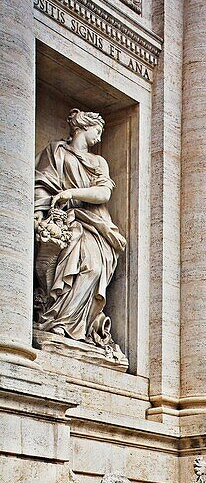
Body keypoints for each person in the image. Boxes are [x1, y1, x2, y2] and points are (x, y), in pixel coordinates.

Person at [34, 109, 126, 355]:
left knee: (94, 268)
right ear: (85, 127)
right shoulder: (56, 152)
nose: (99, 136)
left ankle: (73, 325)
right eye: (98, 130)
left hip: (95, 224)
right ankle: (58, 321)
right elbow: (41, 184)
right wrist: (41, 212)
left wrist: (71, 193)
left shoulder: (98, 162)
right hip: (66, 220)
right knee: (62, 264)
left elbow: (104, 193)